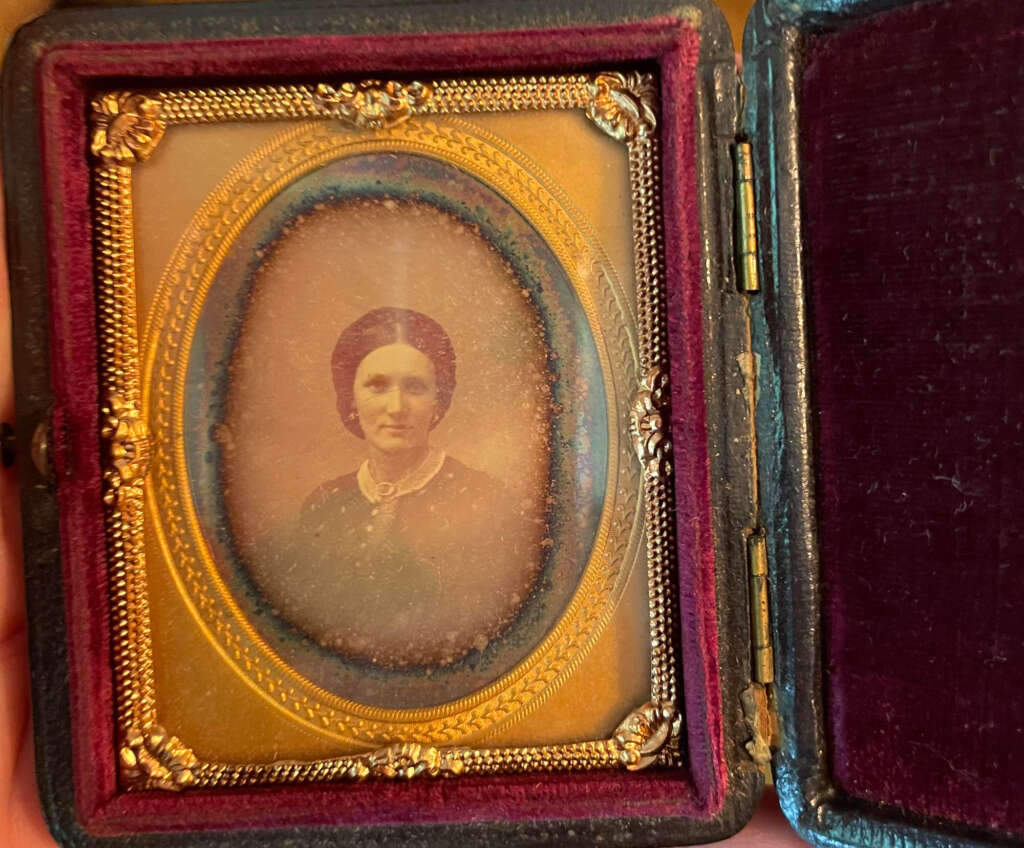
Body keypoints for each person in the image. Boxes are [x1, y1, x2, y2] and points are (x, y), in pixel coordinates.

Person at [250, 307, 542, 668]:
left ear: (439, 400)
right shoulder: (325, 503)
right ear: (351, 397)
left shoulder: (484, 499)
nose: (396, 407)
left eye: (415, 387)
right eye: (377, 385)